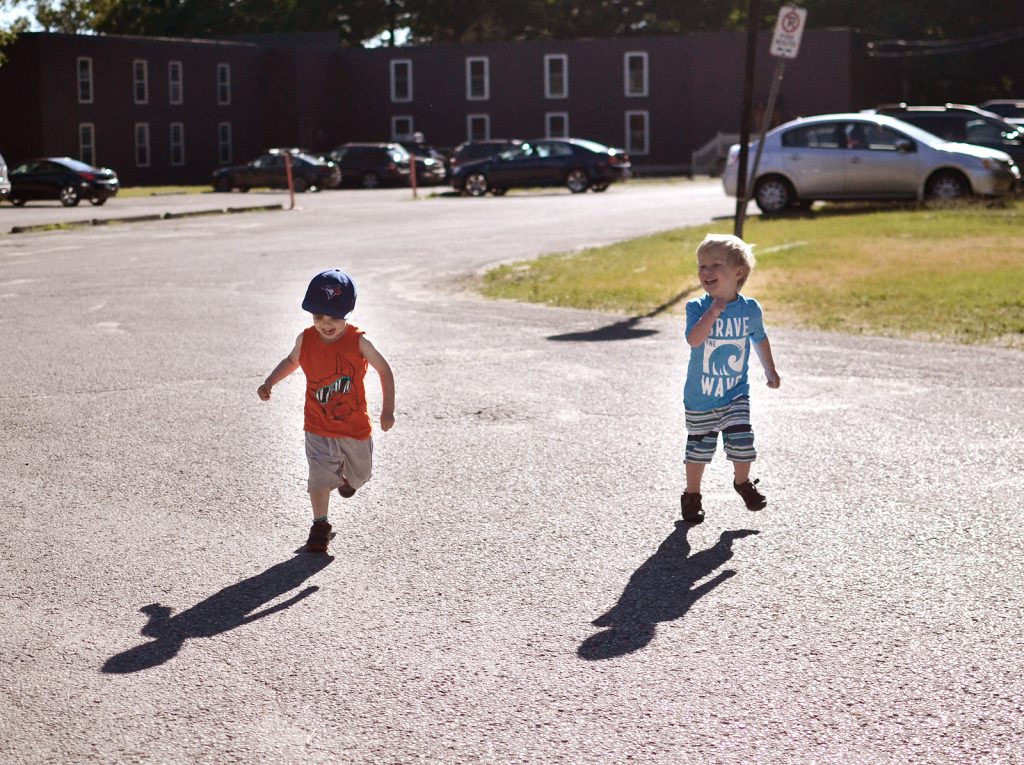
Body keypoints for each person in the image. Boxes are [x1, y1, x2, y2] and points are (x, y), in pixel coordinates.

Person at [258, 269, 395, 552]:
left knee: (362, 475)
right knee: (318, 477)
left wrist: (387, 412)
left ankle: (349, 480)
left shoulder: (358, 341)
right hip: (317, 426)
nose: (326, 324)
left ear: (346, 314)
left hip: (354, 428)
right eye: (319, 317)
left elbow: (384, 370)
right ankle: (320, 525)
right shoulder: (306, 339)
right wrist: (270, 381)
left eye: (333, 318)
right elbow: (291, 361)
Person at [680, 234, 780, 524]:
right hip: (701, 397)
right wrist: (712, 313)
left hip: (735, 393)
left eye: (715, 265)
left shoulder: (749, 309)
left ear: (738, 272)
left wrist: (769, 369)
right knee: (699, 448)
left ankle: (742, 482)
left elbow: (759, 339)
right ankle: (692, 495)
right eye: (701, 266)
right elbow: (694, 340)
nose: (706, 272)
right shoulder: (697, 307)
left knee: (743, 442)